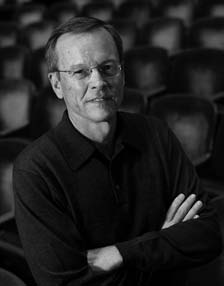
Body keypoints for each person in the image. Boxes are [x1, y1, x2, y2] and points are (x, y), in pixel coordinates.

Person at [13, 17, 222, 286]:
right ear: (56, 85)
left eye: (107, 67)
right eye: (80, 72)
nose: (98, 81)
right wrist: (163, 243)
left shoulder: (156, 133)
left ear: (122, 74)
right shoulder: (35, 170)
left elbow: (207, 234)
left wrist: (119, 253)